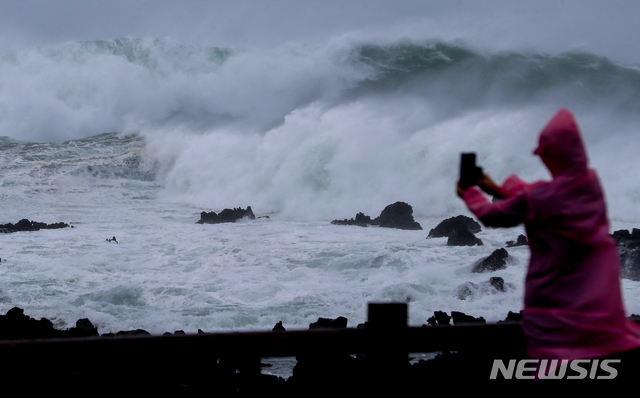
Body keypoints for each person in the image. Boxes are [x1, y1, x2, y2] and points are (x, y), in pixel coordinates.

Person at [456, 108, 640, 380]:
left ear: (550, 153)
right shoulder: (590, 186)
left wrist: (470, 192)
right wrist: (495, 188)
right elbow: (540, 198)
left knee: (551, 373)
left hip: (555, 307)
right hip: (598, 307)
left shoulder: (540, 198)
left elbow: (492, 215)